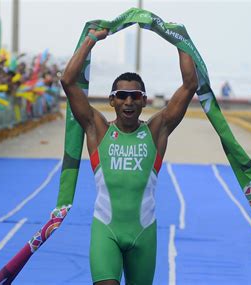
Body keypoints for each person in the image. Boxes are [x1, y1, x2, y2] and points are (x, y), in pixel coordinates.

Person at [60, 29, 198, 285]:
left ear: (144, 101)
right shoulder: (97, 129)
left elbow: (190, 84)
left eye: (135, 96)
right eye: (122, 96)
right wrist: (91, 39)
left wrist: (178, 39)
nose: (128, 102)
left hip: (143, 235)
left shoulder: (157, 130)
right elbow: (68, 81)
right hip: (106, 232)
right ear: (112, 101)